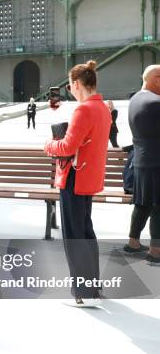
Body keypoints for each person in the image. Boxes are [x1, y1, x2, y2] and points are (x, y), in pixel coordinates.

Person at [43, 60, 111, 307]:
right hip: (88, 177)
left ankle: (82, 292)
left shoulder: (83, 110)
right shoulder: (102, 107)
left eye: (70, 85)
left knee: (74, 235)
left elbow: (67, 147)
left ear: (76, 84)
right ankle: (93, 286)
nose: (69, 89)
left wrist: (49, 145)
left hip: (74, 177)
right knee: (85, 232)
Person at [123, 65, 160, 264]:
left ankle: (133, 242)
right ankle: (156, 252)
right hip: (156, 162)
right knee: (158, 207)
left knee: (142, 204)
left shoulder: (136, 98)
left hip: (140, 162)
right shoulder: (156, 102)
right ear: (156, 79)